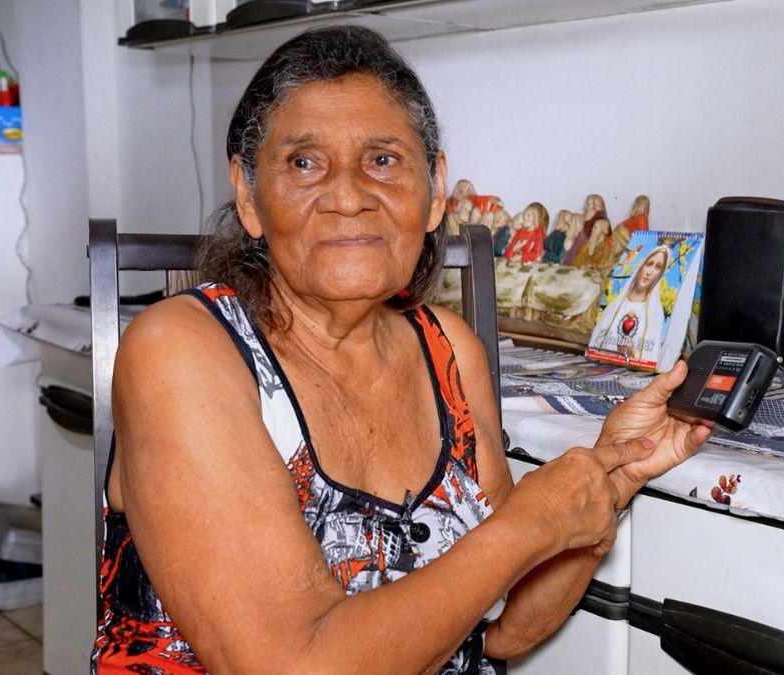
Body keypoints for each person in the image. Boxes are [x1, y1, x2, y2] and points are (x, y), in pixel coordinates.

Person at [91, 26, 711, 674]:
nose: (348, 196)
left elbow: (507, 629)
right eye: (304, 163)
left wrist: (610, 479)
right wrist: (530, 523)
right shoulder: (182, 351)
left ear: (435, 189)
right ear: (248, 195)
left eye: (383, 160)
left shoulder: (449, 351)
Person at [588, 245, 672, 367]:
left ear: (660, 275)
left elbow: (650, 358)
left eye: (657, 267)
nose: (649, 272)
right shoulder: (615, 305)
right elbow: (595, 346)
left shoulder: (654, 313)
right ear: (641, 266)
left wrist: (632, 355)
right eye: (649, 264)